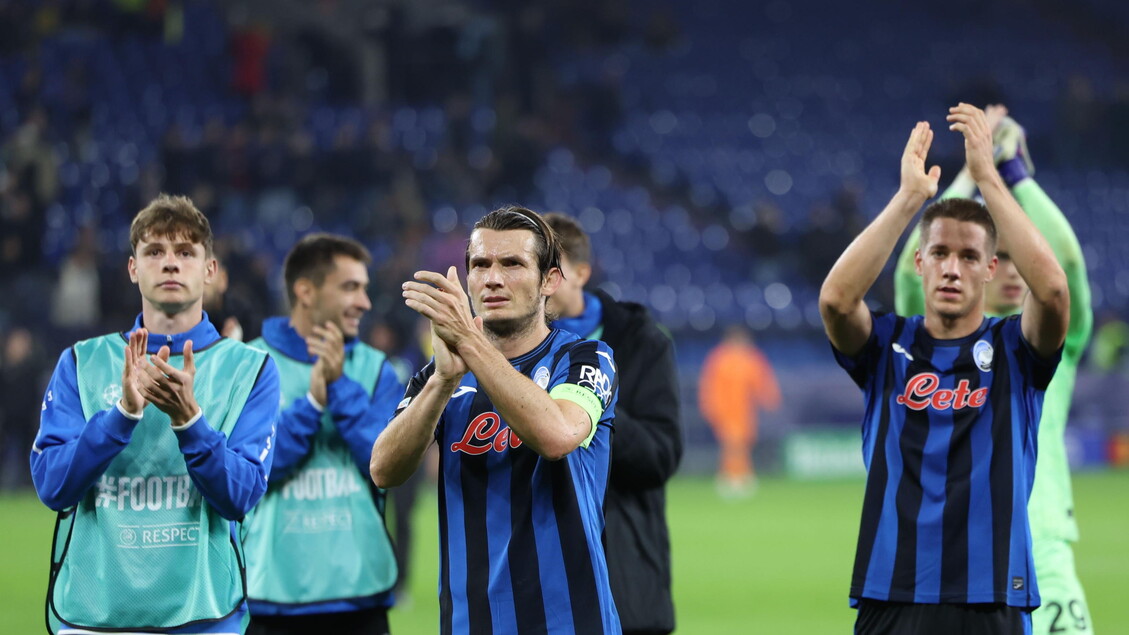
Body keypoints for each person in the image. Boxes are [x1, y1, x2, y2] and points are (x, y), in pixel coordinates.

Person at [818, 104, 1070, 633]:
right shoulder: (887, 346)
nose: (953, 268)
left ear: (990, 270)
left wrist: (988, 179)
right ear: (920, 261)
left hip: (992, 596)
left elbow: (1051, 289)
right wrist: (909, 199)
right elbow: (837, 301)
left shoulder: (1015, 353)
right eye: (940, 252)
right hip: (891, 594)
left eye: (970, 257)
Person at [30, 194, 281, 634]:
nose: (170, 264)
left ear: (209, 271)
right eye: (154, 252)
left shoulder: (250, 369)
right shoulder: (80, 362)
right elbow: (53, 487)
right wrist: (121, 417)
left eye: (185, 252)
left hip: (204, 619)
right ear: (133, 269)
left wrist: (190, 423)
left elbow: (240, 498)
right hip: (91, 620)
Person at [370, 205, 621, 634]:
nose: (493, 278)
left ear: (550, 280)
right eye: (480, 264)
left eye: (512, 264)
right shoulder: (439, 376)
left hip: (571, 623)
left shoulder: (585, 358)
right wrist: (443, 380)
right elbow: (383, 470)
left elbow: (558, 434)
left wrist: (469, 341)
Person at [894, 106, 1096, 635]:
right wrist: (966, 170)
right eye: (997, 258)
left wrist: (1013, 174)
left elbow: (1067, 271)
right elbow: (913, 277)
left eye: (1018, 258)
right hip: (967, 554)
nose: (1010, 270)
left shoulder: (1049, 349)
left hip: (1043, 547)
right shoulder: (943, 343)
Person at [243, 234, 404, 634]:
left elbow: (386, 466)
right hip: (272, 599)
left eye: (365, 289)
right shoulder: (250, 364)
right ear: (305, 292)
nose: (364, 303)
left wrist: (340, 387)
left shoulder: (376, 368)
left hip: (359, 596)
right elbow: (251, 474)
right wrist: (313, 403)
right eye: (350, 287)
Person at [545, 212, 682, 635]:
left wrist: (587, 406)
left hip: (624, 574)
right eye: (533, 269)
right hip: (537, 580)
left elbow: (661, 455)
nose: (541, 283)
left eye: (554, 271)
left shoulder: (643, 341)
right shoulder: (508, 348)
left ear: (582, 273)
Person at [697, 324, 780, 497]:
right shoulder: (719, 359)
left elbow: (761, 380)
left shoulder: (749, 357)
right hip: (725, 409)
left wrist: (770, 399)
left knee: (742, 443)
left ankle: (739, 476)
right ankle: (732, 478)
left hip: (744, 410)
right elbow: (709, 386)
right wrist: (710, 407)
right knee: (732, 444)